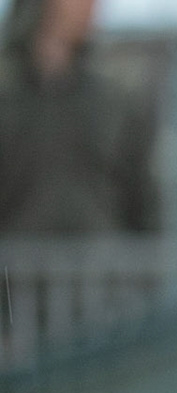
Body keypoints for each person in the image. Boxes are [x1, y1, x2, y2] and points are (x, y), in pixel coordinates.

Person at [0, 0, 160, 236]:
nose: (91, 7)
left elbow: (145, 202)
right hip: (16, 265)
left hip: (105, 266)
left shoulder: (115, 101)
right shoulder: (8, 96)